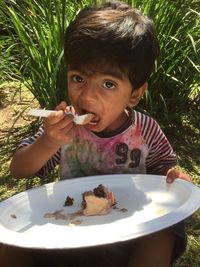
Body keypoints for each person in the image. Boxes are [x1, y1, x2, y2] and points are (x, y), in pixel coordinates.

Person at [6, 1, 191, 267]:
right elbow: (19, 169)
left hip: (128, 230)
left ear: (135, 94)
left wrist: (172, 176)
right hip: (70, 228)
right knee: (12, 238)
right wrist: (49, 141)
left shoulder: (145, 129)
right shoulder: (64, 126)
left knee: (167, 229)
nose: (87, 96)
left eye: (108, 84)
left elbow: (163, 167)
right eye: (78, 78)